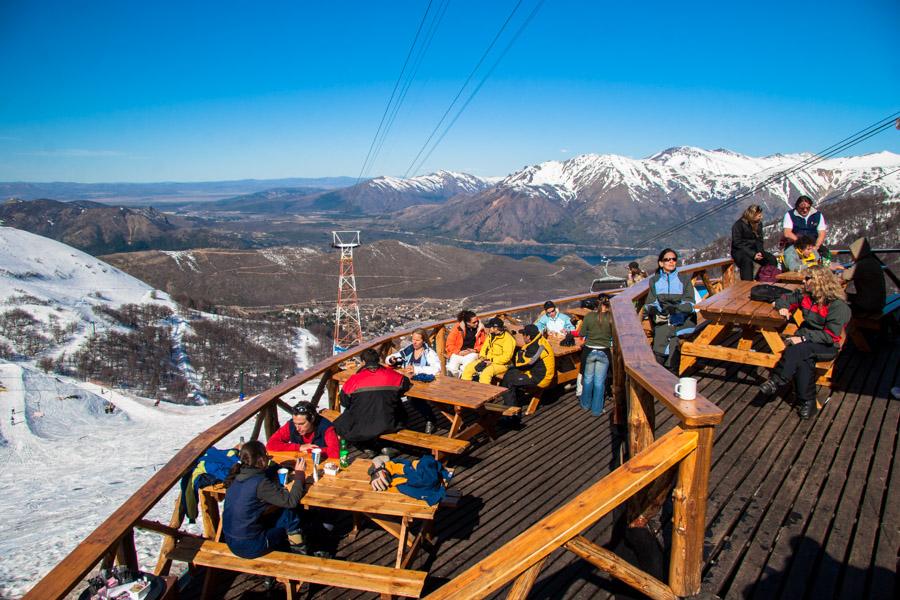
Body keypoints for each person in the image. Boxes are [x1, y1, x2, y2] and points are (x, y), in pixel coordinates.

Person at [759, 266, 850, 419]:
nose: (803, 281)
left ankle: (776, 380)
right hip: (806, 343)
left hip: (827, 346)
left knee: (797, 350)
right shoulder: (807, 297)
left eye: (807, 278)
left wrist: (803, 338)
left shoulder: (837, 306)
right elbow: (785, 298)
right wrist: (783, 308)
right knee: (803, 358)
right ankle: (808, 403)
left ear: (819, 281)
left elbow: (830, 336)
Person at [222, 441, 308, 559]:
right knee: (289, 514)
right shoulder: (260, 483)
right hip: (250, 545)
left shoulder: (235, 476)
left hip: (230, 540)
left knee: (275, 514)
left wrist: (276, 468)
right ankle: (299, 556)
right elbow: (291, 501)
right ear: (262, 460)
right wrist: (299, 475)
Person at [333, 348, 411, 457]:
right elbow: (406, 383)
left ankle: (367, 446)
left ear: (363, 362)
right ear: (378, 360)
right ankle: (387, 446)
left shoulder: (354, 380)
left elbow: (344, 402)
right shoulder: (392, 375)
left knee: (342, 422)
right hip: (389, 423)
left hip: (361, 425)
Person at [644, 249, 697, 369]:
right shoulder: (655, 281)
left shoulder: (684, 280)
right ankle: (663, 373)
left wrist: (676, 309)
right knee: (662, 336)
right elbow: (651, 303)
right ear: (661, 263)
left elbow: (690, 303)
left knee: (670, 338)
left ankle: (668, 372)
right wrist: (655, 311)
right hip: (664, 318)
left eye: (673, 259)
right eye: (667, 259)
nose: (671, 262)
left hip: (682, 319)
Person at [386, 329, 440, 433]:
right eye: (413, 339)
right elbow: (390, 358)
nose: (414, 342)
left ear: (423, 341)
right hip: (409, 382)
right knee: (392, 395)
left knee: (415, 400)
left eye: (417, 340)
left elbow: (436, 369)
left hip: (424, 383)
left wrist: (416, 369)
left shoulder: (429, 353)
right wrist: (391, 359)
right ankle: (400, 420)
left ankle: (430, 419)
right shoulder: (409, 350)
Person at [499, 324, 555, 411]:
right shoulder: (539, 340)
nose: (522, 337)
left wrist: (520, 352)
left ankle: (512, 413)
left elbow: (519, 363)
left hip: (540, 378)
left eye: (523, 335)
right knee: (510, 373)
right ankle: (512, 401)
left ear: (528, 336)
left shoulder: (534, 348)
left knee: (508, 380)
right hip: (536, 372)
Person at [578, 294, 614, 416]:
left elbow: (582, 333)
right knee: (599, 382)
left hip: (590, 350)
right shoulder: (611, 318)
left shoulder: (589, 316)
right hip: (604, 351)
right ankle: (597, 409)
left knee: (587, 379)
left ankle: (585, 404)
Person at [266, 401, 340, 459]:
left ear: (312, 419)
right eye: (295, 423)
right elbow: (271, 444)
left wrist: (309, 450)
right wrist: (299, 447)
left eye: (301, 424)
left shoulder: (326, 427)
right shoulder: (291, 425)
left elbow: (335, 453)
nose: (297, 428)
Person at [461, 317, 516, 384]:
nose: (488, 329)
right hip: (487, 360)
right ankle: (465, 389)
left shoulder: (508, 339)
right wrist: (482, 357)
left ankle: (485, 393)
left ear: (496, 328)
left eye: (490, 327)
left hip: (502, 364)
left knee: (485, 374)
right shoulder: (491, 335)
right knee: (468, 369)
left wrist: (491, 361)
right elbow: (484, 348)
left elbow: (506, 357)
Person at [731, 204, 778, 281]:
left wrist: (760, 252)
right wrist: (752, 254)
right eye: (759, 216)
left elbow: (759, 240)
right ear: (753, 215)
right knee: (747, 262)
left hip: (755, 250)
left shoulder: (759, 224)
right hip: (740, 251)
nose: (761, 217)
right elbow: (737, 243)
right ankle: (747, 286)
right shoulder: (738, 225)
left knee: (771, 259)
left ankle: (768, 279)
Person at [844, 237, 886, 316]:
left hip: (868, 305)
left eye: (851, 253)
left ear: (856, 252)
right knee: (846, 296)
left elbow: (845, 276)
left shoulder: (861, 265)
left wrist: (842, 270)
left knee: (841, 300)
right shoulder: (873, 261)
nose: (851, 256)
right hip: (879, 303)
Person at [444, 310, 486, 378]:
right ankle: (456, 382)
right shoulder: (458, 328)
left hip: (472, 353)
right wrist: (458, 352)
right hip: (458, 352)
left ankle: (461, 382)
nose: (476, 323)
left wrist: (475, 350)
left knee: (465, 368)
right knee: (451, 369)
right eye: (474, 322)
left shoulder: (480, 329)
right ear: (467, 323)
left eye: (477, 321)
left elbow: (484, 344)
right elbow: (449, 343)